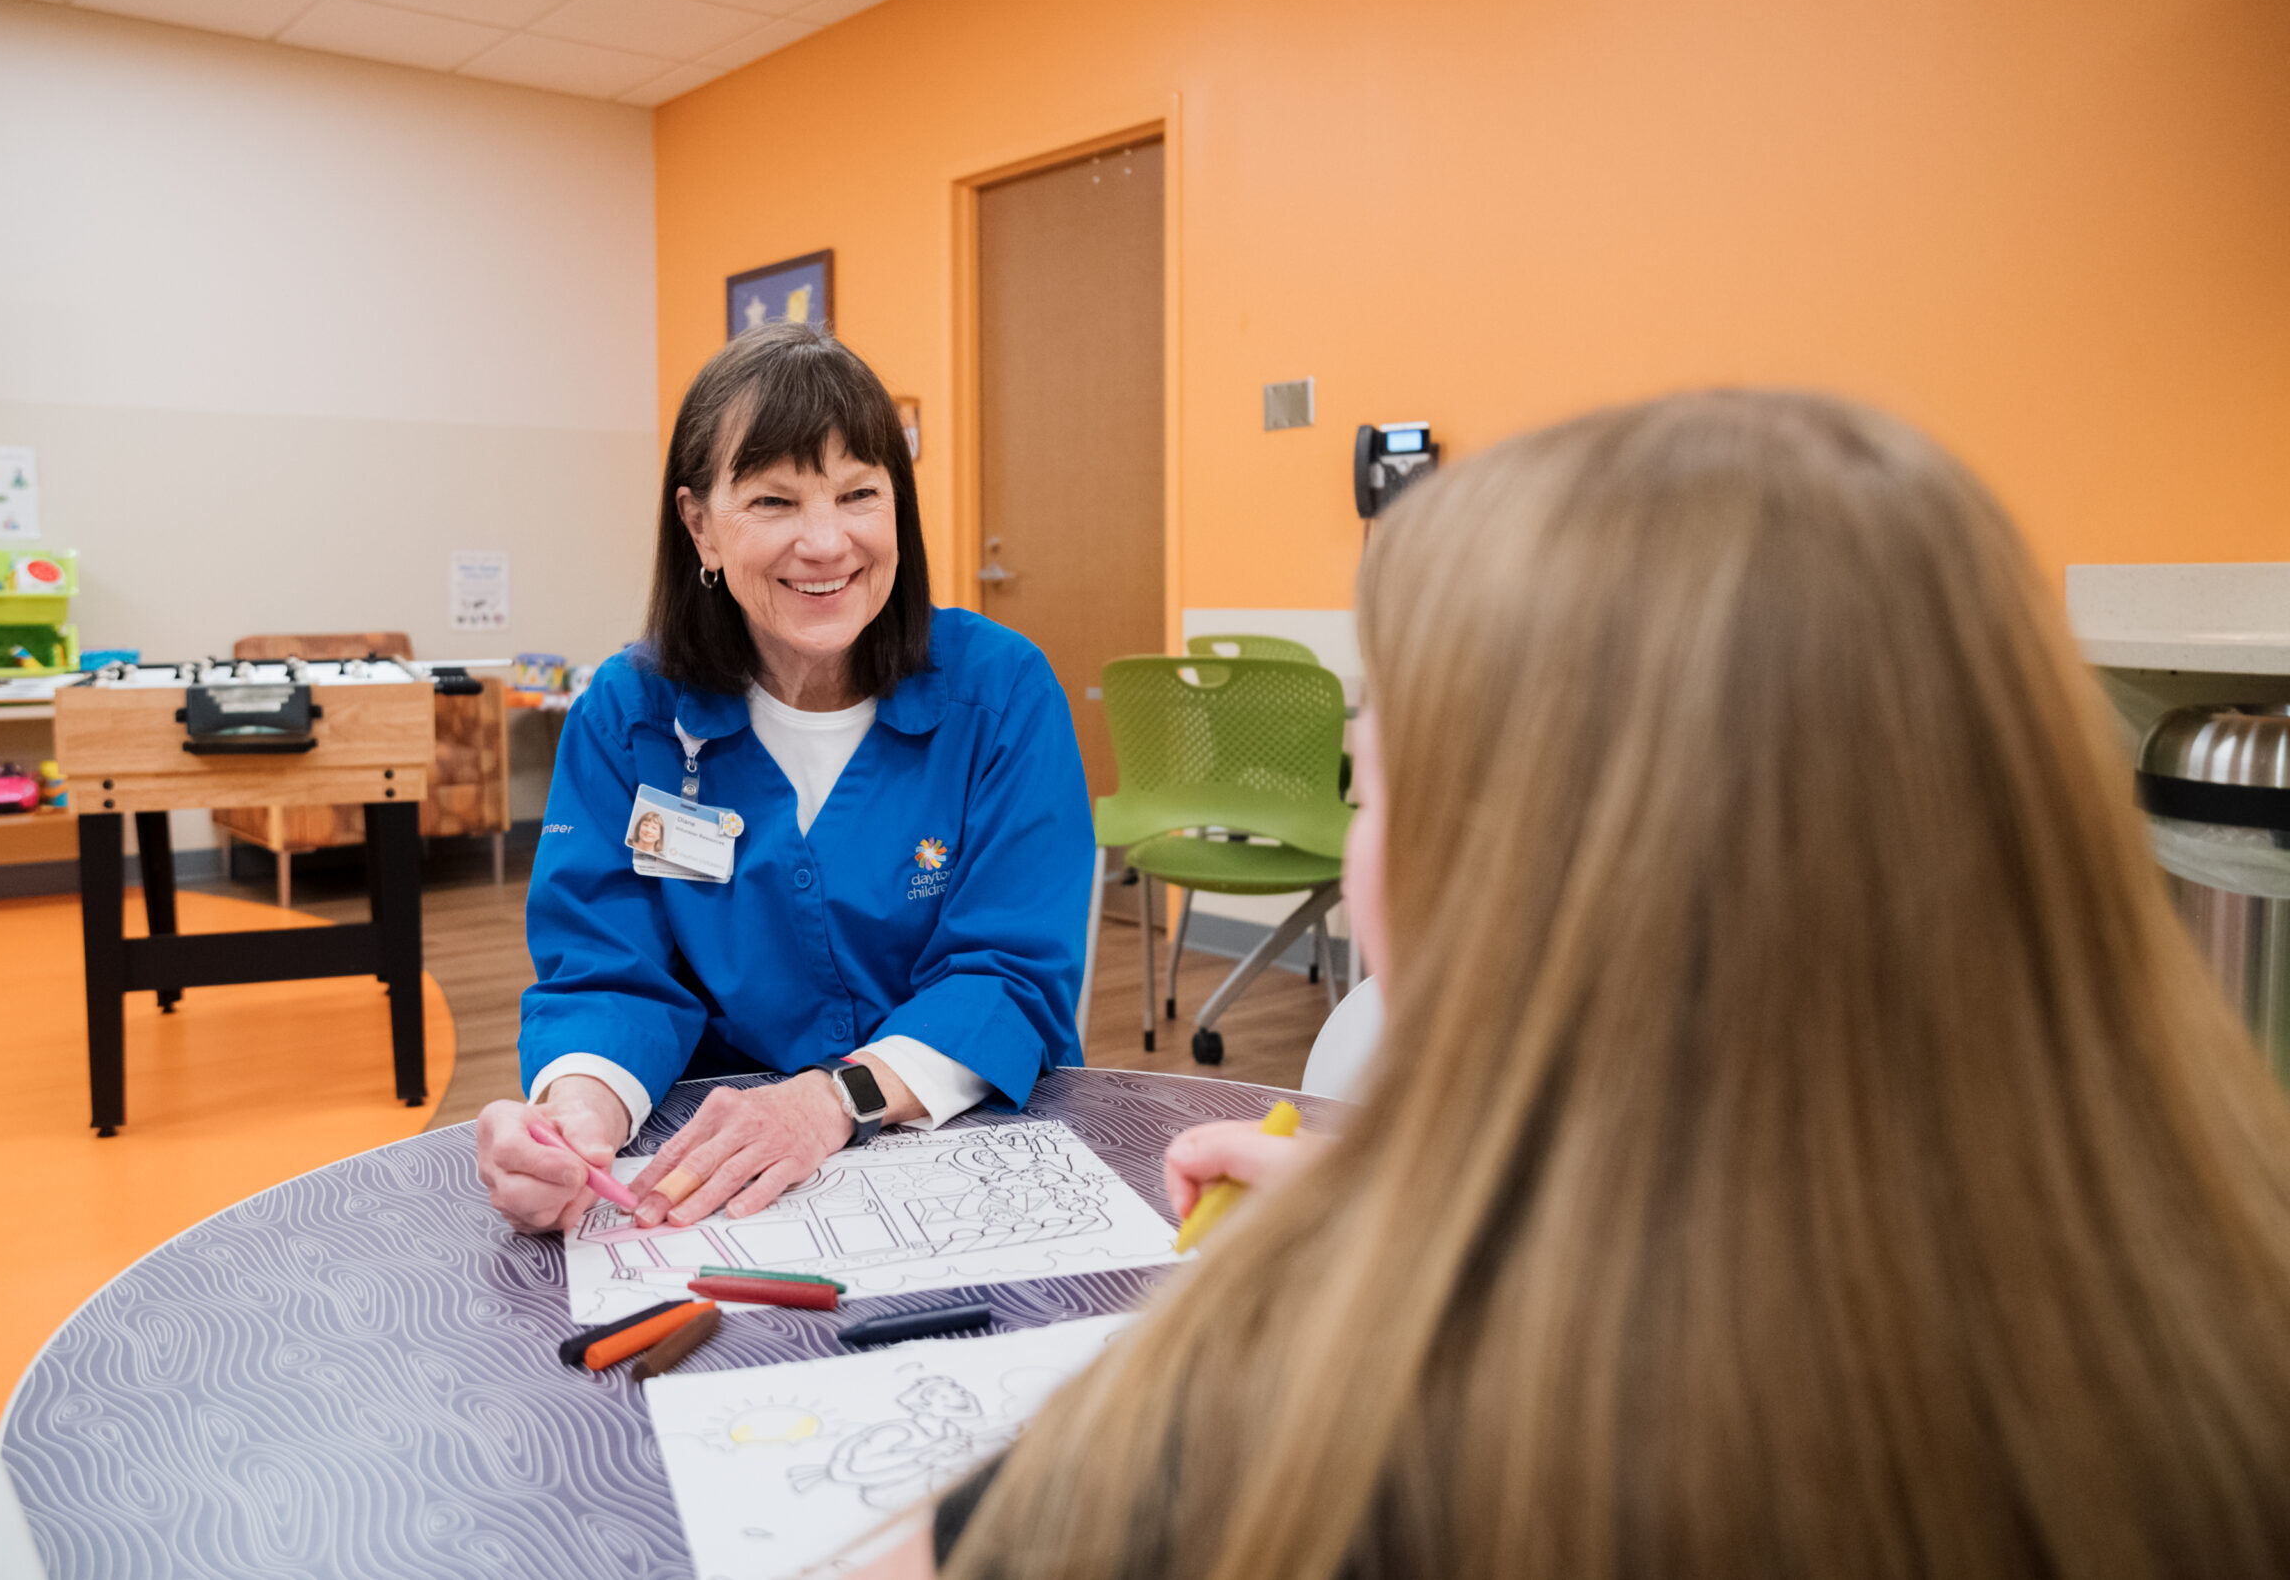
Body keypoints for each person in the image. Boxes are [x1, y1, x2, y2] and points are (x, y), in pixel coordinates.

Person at [901, 390, 2290, 1577]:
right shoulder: (2213, 1343)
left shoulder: (1300, 1446)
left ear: (1521, 872)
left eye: (1373, 784)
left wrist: (1280, 1322)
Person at [474, 323, 1094, 1239]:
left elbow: (1010, 976)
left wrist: (830, 1101)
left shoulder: (1000, 691)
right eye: (772, 500)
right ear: (700, 525)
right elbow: (609, 976)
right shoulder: (630, 713)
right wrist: (574, 1121)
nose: (825, 541)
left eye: (858, 494)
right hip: (719, 1184)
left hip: (967, 1149)